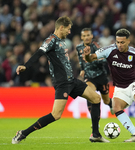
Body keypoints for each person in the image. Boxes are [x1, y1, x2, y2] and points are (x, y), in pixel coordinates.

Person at [12, 16, 109, 144]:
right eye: (68, 29)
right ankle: (23, 133)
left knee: (96, 98)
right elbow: (39, 52)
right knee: (56, 115)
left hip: (72, 81)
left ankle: (96, 135)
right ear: (61, 27)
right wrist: (26, 65)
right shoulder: (51, 40)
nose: (69, 32)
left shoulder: (62, 41)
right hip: (62, 83)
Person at [76, 28, 113, 118]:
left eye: (88, 35)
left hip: (101, 76)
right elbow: (81, 59)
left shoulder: (96, 46)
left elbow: (104, 60)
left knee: (106, 101)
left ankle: (111, 105)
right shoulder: (79, 47)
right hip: (89, 77)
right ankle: (95, 119)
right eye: (84, 36)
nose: (86, 37)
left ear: (92, 36)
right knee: (90, 95)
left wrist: (91, 59)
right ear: (81, 37)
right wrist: (82, 69)